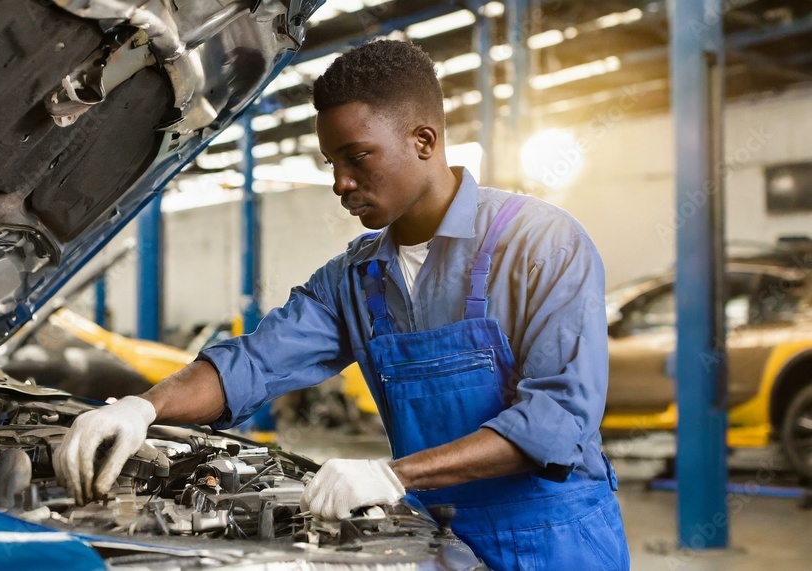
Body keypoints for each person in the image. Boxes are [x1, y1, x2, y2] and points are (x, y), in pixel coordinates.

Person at [54, 39, 631, 570]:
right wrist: (142, 408)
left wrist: (393, 474)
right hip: (438, 536)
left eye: (357, 157)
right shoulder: (355, 279)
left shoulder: (541, 243)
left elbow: (559, 421)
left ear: (423, 141)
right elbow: (253, 363)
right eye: (332, 163)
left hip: (558, 539)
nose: (340, 184)